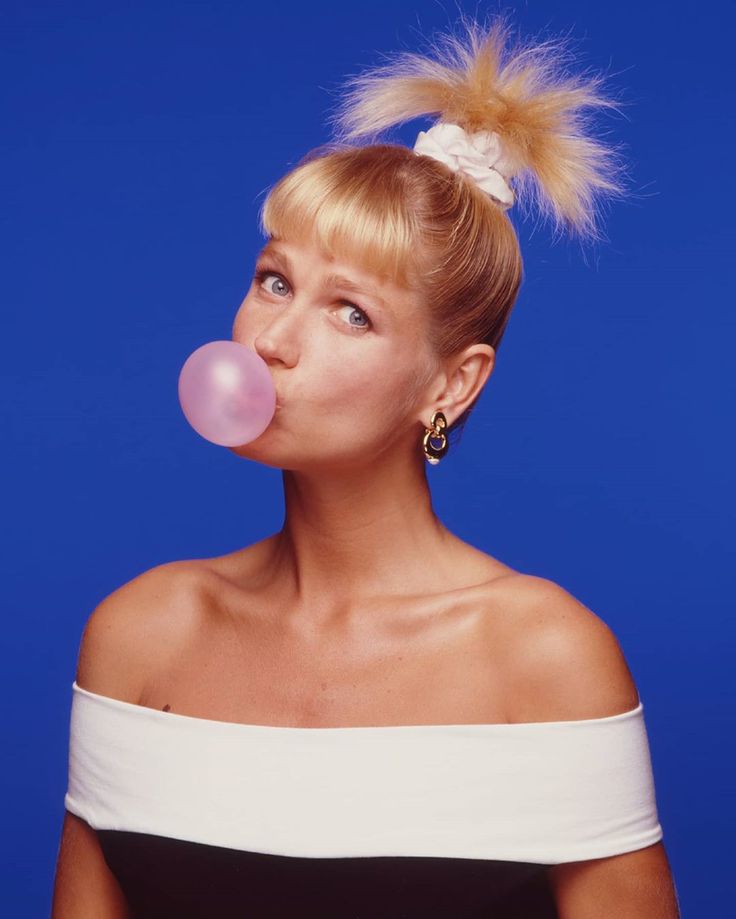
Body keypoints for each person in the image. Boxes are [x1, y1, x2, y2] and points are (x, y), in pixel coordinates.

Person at [52, 12, 681, 918]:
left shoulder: (543, 657)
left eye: (351, 311)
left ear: (451, 385)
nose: (270, 340)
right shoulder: (139, 636)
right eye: (275, 279)